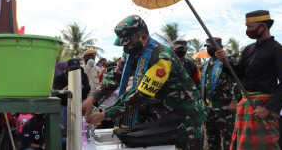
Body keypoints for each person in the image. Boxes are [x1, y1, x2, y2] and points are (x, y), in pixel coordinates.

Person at [82, 15, 207, 149]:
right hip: (162, 110)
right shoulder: (131, 52)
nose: (125, 48)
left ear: (144, 38)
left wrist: (105, 115)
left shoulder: (162, 57)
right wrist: (92, 99)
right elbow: (115, 76)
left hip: (186, 112)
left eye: (128, 43)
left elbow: (141, 94)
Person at [215, 10, 282, 149]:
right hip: (245, 104)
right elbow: (238, 74)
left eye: (250, 27)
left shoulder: (278, 50)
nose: (247, 30)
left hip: (262, 107)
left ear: (263, 27)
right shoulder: (248, 49)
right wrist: (225, 61)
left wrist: (268, 109)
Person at [201, 37, 241, 150]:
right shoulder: (207, 64)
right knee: (212, 138)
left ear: (221, 47)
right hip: (210, 108)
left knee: (229, 139)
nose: (209, 49)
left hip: (225, 107)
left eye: (212, 47)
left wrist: (234, 100)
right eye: (208, 47)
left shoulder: (228, 61)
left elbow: (237, 80)